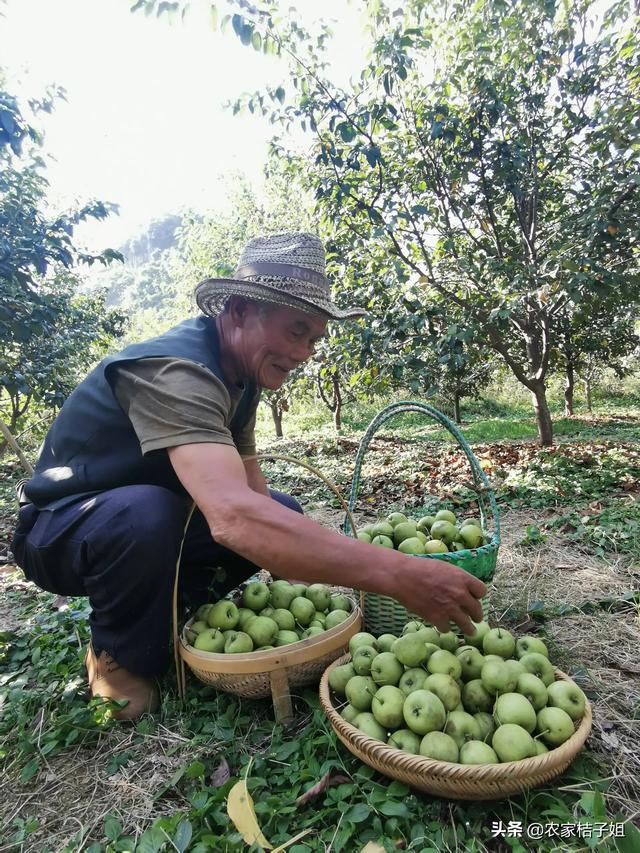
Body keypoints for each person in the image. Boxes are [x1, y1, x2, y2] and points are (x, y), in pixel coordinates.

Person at [12, 232, 486, 720]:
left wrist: (309, 587)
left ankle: (174, 615)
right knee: (147, 514)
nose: (304, 352)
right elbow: (235, 519)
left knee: (281, 511)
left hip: (147, 521)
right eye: (295, 330)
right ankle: (116, 655)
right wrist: (400, 574)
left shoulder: (239, 376)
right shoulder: (178, 372)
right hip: (61, 527)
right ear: (238, 310)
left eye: (313, 340)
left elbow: (253, 496)